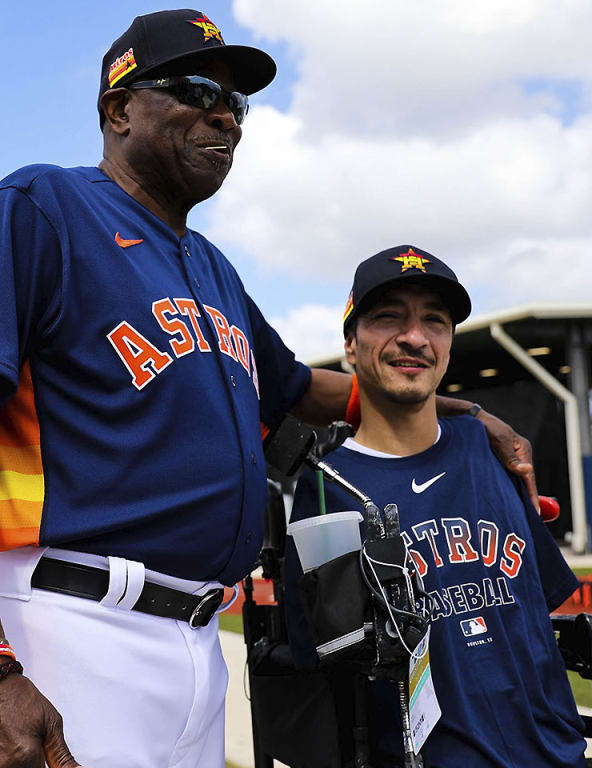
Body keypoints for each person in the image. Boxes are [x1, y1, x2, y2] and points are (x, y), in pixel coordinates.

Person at [0, 11, 533, 767]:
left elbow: (296, 390)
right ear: (119, 109)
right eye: (193, 91)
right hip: (71, 620)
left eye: (236, 104)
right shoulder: (42, 209)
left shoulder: (212, 267)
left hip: (198, 639)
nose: (226, 117)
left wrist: (461, 409)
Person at [285, 246, 585, 767]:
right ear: (351, 347)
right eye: (387, 318)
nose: (415, 337)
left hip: (557, 756)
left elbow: (540, 611)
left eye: (435, 321)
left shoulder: (492, 450)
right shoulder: (327, 488)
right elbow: (321, 676)